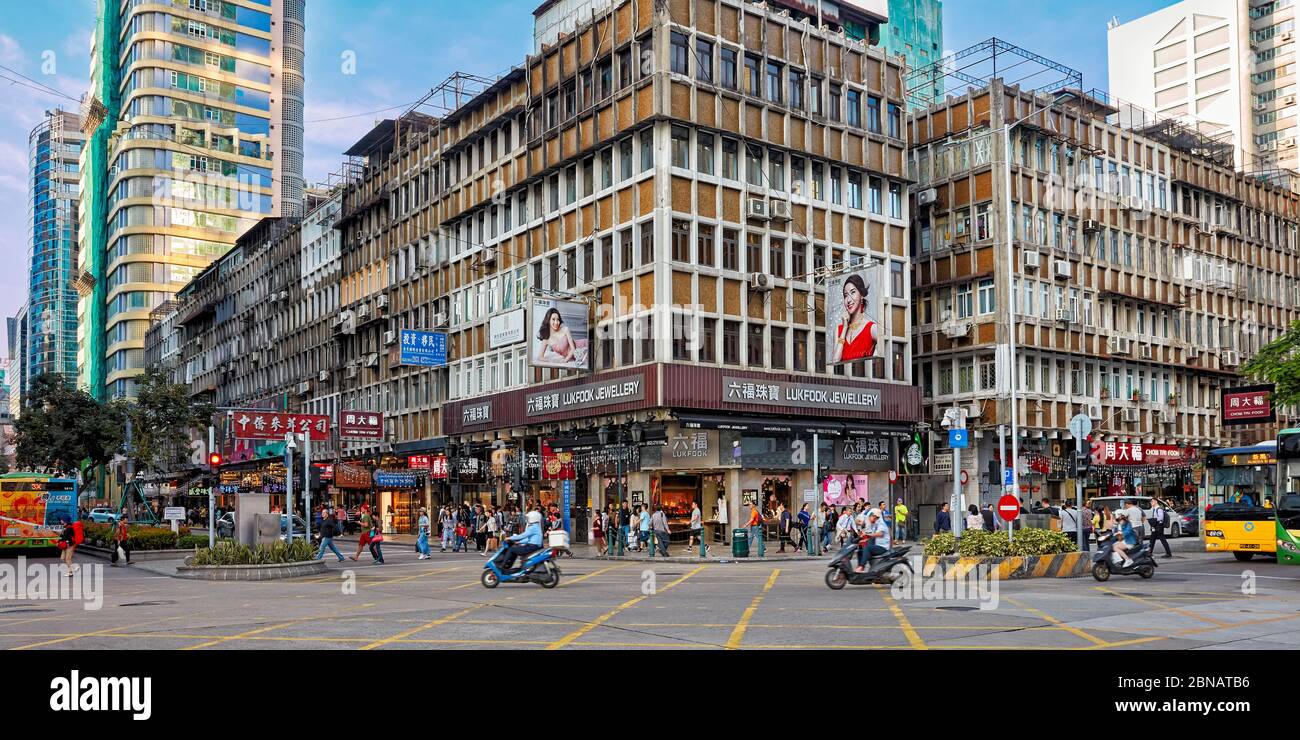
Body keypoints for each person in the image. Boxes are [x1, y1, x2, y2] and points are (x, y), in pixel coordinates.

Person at [830, 274, 879, 363]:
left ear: (862, 295)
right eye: (845, 295)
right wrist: (845, 328)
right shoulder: (839, 330)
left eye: (853, 292)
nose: (848, 300)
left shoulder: (872, 328)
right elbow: (835, 361)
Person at [855, 509, 891, 573]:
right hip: (877, 545)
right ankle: (860, 569)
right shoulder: (875, 525)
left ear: (875, 516)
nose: (869, 519)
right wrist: (863, 540)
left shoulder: (881, 524)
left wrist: (867, 535)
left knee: (867, 548)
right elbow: (873, 536)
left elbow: (880, 534)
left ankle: (861, 566)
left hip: (882, 547)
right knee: (859, 552)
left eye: (870, 517)